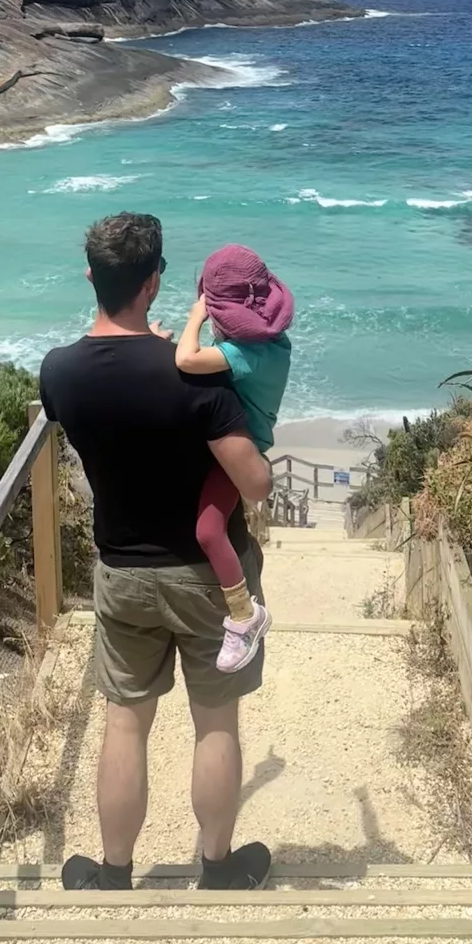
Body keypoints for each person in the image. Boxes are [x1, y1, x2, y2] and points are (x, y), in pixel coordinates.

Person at [39, 212, 274, 893]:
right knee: (216, 722)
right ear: (153, 283)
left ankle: (114, 873)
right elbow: (253, 483)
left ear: (93, 278)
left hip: (123, 575)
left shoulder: (60, 374)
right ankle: (218, 867)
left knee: (124, 722)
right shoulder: (196, 379)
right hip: (210, 581)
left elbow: (113, 405)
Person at [175, 245, 293, 673]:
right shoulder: (273, 345)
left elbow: (187, 359)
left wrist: (194, 319)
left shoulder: (245, 356)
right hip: (239, 441)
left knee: (208, 531)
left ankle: (245, 615)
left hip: (238, 448)